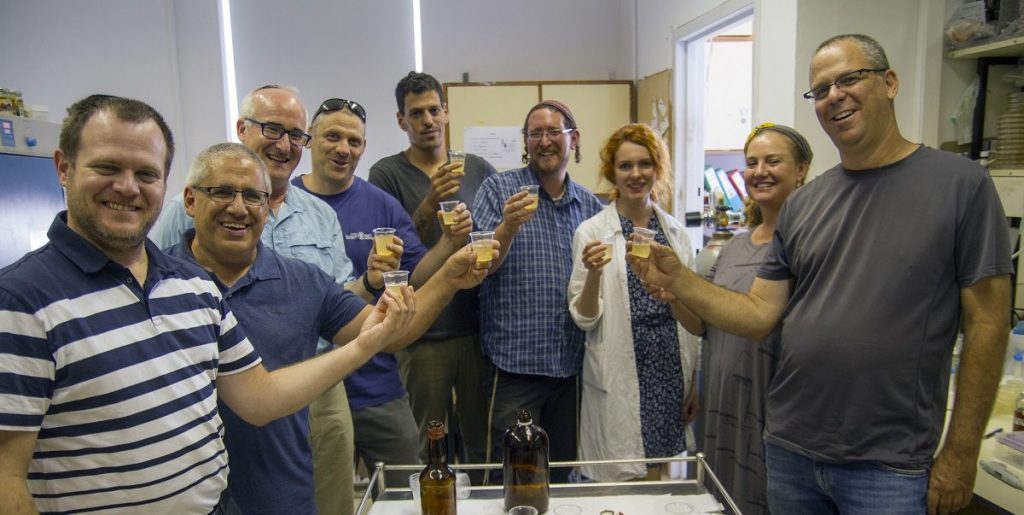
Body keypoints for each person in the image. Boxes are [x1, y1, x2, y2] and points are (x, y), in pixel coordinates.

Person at [630, 34, 1012, 515]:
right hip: (791, 452)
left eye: (850, 78)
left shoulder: (959, 185)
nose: (835, 96)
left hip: (887, 464)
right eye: (821, 89)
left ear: (890, 83)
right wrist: (678, 278)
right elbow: (757, 314)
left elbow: (989, 324)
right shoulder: (806, 205)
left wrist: (961, 452)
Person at [0, 94, 416, 514]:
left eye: (146, 173)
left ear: (164, 184)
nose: (128, 187)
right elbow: (5, 475)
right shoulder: (20, 302)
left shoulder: (192, 286)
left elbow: (260, 400)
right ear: (64, 169)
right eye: (107, 167)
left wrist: (366, 343)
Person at [165, 142, 495, 514]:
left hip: (283, 495)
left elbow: (388, 333)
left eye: (253, 196)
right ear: (191, 201)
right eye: (222, 192)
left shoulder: (302, 281)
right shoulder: (157, 284)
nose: (239, 208)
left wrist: (449, 278)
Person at [148, 84, 366, 515]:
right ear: (242, 128)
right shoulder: (185, 206)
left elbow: (341, 299)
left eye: (295, 135)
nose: (284, 144)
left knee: (318, 496)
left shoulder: (321, 213)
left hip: (316, 379)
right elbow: (154, 281)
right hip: (209, 393)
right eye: (272, 129)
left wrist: (376, 286)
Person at [292, 97, 473, 484]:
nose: (344, 149)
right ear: (309, 140)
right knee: (327, 499)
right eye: (333, 137)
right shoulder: (287, 206)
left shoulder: (380, 204)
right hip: (309, 386)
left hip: (376, 381)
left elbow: (417, 274)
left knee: (409, 487)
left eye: (354, 141)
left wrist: (448, 243)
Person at [368, 71, 496, 470]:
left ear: (446, 112)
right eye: (416, 113)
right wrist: (430, 203)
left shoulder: (478, 168)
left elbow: (495, 241)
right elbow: (392, 252)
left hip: (476, 329)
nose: (427, 120)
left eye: (434, 110)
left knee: (481, 441)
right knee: (431, 443)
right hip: (422, 333)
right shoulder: (386, 174)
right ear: (401, 121)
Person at [473, 100, 603, 483]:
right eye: (535, 133)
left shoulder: (590, 206)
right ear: (525, 142)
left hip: (572, 368)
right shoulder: (499, 190)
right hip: (515, 367)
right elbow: (480, 267)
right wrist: (508, 227)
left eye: (553, 132)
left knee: (563, 475)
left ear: (573, 139)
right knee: (513, 478)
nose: (544, 141)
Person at [567, 123, 700, 482]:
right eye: (625, 166)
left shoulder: (675, 234)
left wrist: (694, 382)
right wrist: (593, 273)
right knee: (621, 478)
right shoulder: (591, 232)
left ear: (658, 169)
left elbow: (692, 314)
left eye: (645, 164)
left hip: (669, 367)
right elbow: (583, 317)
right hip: (621, 366)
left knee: (667, 477)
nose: (636, 174)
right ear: (612, 171)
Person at [698, 123, 811, 515]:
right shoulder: (734, 246)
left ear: (802, 169)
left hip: (777, 404)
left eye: (773, 161)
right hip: (725, 400)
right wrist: (671, 290)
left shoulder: (811, 242)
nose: (759, 170)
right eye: (751, 163)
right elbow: (703, 323)